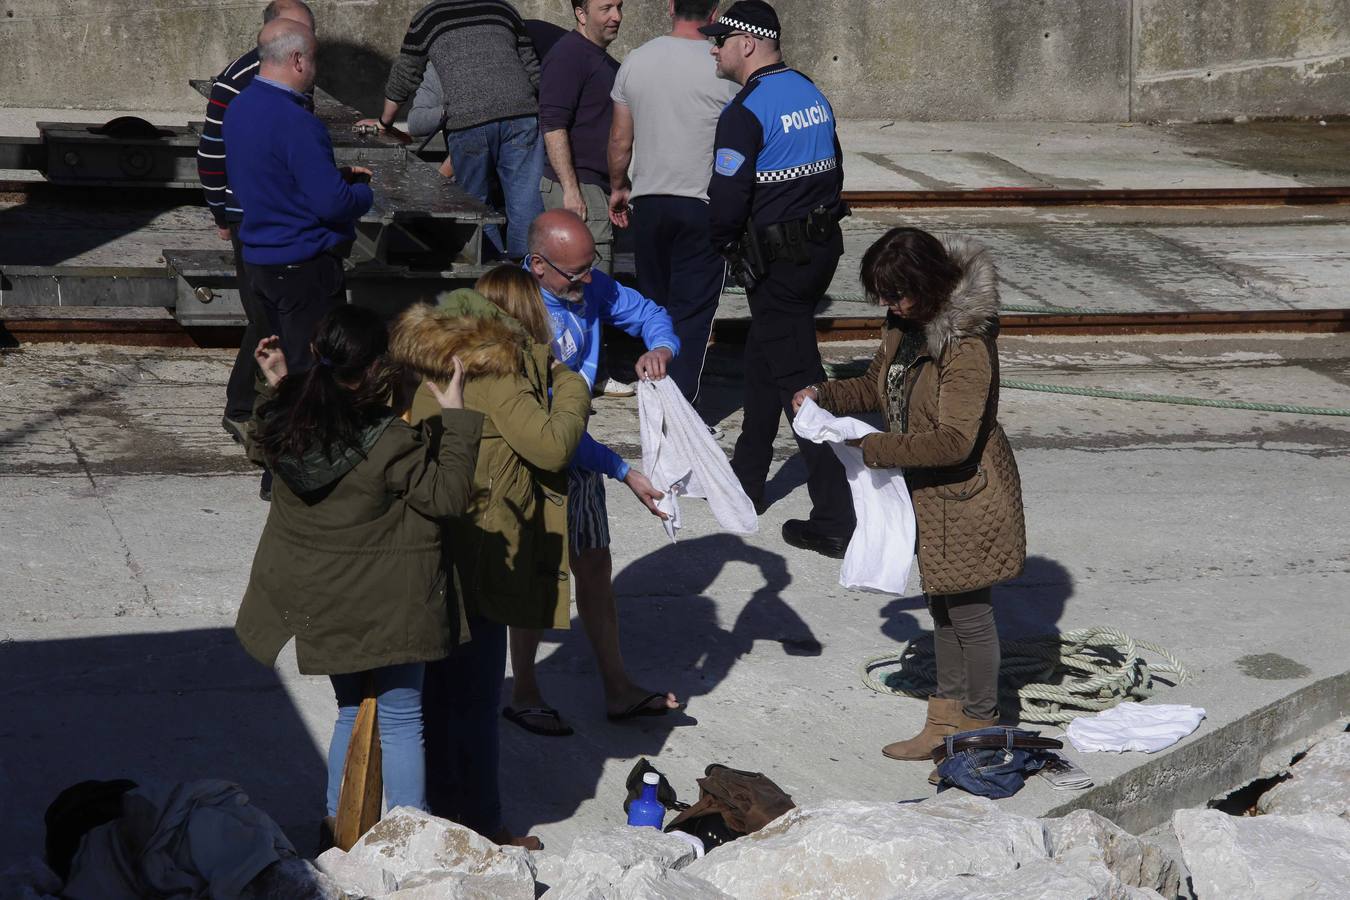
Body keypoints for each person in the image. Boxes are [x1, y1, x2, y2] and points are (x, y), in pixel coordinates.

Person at [235, 305, 483, 825]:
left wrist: (280, 384)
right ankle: (411, 832)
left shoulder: (286, 422)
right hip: (389, 605)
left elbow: (262, 442)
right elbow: (447, 496)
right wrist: (456, 415)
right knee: (398, 717)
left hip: (322, 604)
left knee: (350, 710)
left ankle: (338, 826)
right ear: (375, 371)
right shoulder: (388, 441)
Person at [792, 227, 1026, 765]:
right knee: (940, 608)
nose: (889, 306)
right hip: (928, 493)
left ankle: (982, 727)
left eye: (897, 295)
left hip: (968, 493)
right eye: (883, 297)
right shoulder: (906, 325)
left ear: (927, 286)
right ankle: (943, 722)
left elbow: (954, 441)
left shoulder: (966, 346)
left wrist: (871, 445)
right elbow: (879, 386)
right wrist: (822, 392)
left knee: (968, 612)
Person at [392, 265, 591, 848]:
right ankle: (481, 825)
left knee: (438, 694)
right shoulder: (500, 370)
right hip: (483, 547)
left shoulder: (443, 351)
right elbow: (552, 447)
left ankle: (431, 815)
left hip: (438, 541)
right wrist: (569, 382)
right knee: (476, 702)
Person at [507, 208, 681, 732]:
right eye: (575, 273)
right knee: (538, 577)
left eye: (590, 269)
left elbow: (651, 313)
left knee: (595, 568)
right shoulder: (516, 318)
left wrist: (661, 347)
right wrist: (623, 470)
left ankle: (617, 687)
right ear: (538, 266)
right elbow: (545, 432)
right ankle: (524, 690)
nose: (588, 281)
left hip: (577, 444)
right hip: (532, 454)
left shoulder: (587, 284)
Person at [702, 0, 855, 557]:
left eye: (719, 40)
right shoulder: (809, 92)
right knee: (764, 358)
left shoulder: (744, 112)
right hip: (817, 254)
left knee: (800, 384)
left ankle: (837, 517)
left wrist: (723, 245)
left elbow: (725, 203)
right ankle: (745, 483)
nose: (713, 49)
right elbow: (834, 168)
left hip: (777, 266)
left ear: (747, 43)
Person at [224, 18, 374, 375]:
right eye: (315, 59)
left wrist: (329, 179)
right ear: (297, 60)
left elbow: (272, 177)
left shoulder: (240, 108)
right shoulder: (297, 122)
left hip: (260, 260)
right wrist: (362, 193)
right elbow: (333, 204)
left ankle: (268, 423)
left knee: (277, 368)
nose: (314, 70)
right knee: (311, 373)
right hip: (303, 265)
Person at [607, 0, 738, 410]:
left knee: (655, 308)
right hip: (703, 203)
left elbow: (619, 141)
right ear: (715, 11)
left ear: (669, 7)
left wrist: (618, 187)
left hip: (649, 202)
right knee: (692, 313)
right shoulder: (725, 64)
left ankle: (655, 395)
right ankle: (678, 410)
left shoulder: (636, 60)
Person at [198, 0, 315, 445]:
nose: (307, 49)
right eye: (298, 37)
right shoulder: (241, 82)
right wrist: (220, 211)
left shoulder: (295, 76)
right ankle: (246, 408)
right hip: (254, 215)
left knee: (268, 314)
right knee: (266, 316)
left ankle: (253, 404)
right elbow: (210, 153)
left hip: (280, 213)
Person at [358, 0, 544, 260]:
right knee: (526, 202)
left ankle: (490, 276)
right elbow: (533, 70)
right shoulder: (504, 9)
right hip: (522, 114)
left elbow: (404, 75)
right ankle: (528, 279)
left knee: (475, 207)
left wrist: (384, 122)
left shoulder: (428, 18)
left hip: (468, 119)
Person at [539, 0, 632, 399]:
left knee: (587, 284)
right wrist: (572, 189)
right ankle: (585, 377)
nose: (616, 16)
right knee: (583, 282)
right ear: (580, 12)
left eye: (619, 6)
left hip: (594, 187)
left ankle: (583, 374)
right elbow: (553, 124)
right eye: (605, 7)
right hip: (577, 188)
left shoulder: (599, 60)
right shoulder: (569, 56)